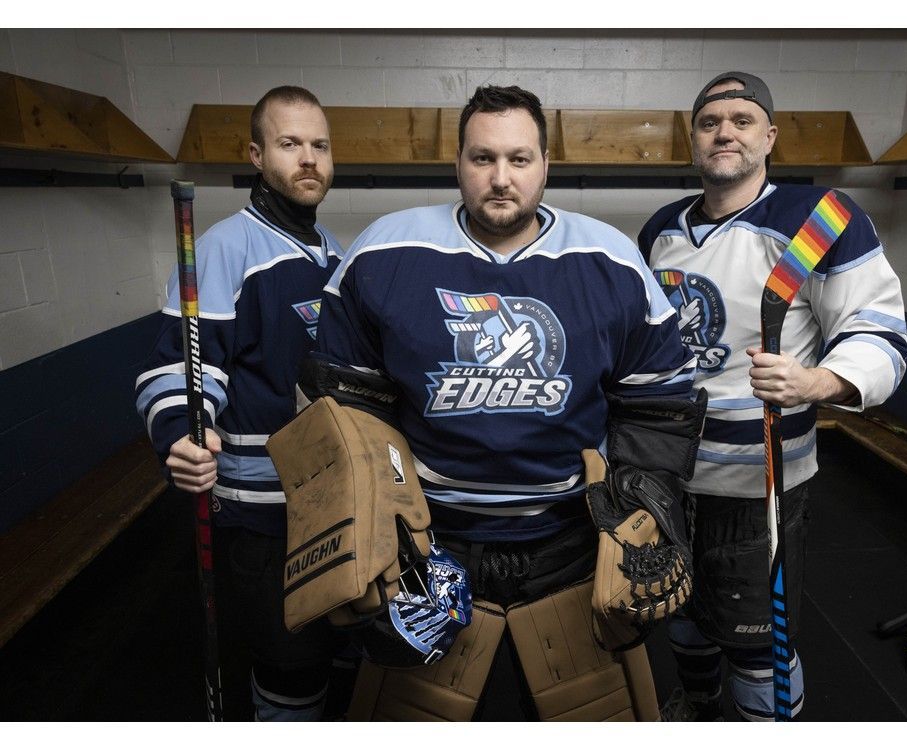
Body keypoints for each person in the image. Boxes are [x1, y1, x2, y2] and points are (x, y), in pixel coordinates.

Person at [301, 85, 701, 720]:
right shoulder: (383, 251)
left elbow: (657, 405)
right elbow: (348, 408)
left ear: (546, 163)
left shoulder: (611, 260)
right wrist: (377, 527)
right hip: (433, 541)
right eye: (482, 159)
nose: (499, 179)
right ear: (457, 161)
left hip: (568, 542)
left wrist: (640, 511)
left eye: (519, 159)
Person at [638, 72, 907, 721]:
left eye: (741, 118)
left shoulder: (819, 220)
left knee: (755, 639)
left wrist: (817, 381)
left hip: (758, 491)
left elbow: (880, 329)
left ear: (770, 135)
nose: (724, 131)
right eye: (709, 122)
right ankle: (698, 709)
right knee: (680, 612)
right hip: (669, 480)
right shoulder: (660, 230)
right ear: (693, 139)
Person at [135, 86, 356, 720]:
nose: (309, 159)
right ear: (257, 155)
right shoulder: (228, 248)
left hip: (329, 503)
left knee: (327, 654)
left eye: (319, 145)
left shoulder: (334, 254)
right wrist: (184, 429)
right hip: (261, 516)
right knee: (290, 670)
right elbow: (184, 363)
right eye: (291, 145)